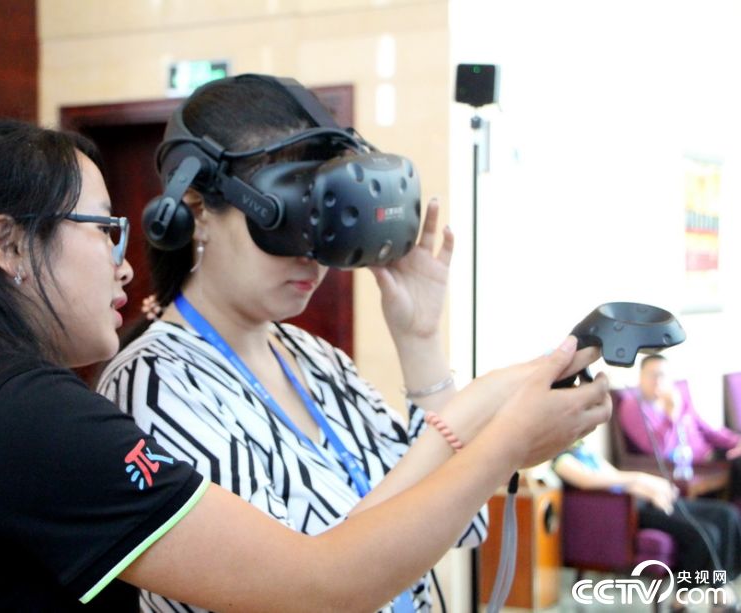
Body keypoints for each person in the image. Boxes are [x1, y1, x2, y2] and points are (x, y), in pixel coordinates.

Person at [0, 117, 609, 611]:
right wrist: (504, 439)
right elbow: (324, 580)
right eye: (103, 230)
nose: (124, 261)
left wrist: (441, 354)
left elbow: (441, 521)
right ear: (7, 245)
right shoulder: (40, 406)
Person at [95, 74, 603, 613]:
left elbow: (462, 521)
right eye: (287, 221)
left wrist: (420, 339)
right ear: (198, 210)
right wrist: (487, 430)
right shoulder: (154, 384)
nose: (310, 253)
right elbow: (296, 593)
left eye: (324, 219)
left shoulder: (319, 361)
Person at [553, 439, 741, 584]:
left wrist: (652, 486)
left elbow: (616, 476)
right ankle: (695, 596)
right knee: (706, 532)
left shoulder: (583, 451)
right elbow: (590, 482)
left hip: (644, 499)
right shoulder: (562, 460)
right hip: (628, 511)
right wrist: (640, 480)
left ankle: (727, 582)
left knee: (726, 514)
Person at [618, 354, 741, 494]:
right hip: (689, 466)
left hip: (712, 454)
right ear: (641, 377)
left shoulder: (678, 396)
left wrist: (736, 441)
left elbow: (707, 430)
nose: (657, 381)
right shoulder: (632, 407)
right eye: (652, 375)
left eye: (662, 375)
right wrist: (672, 416)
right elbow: (658, 451)